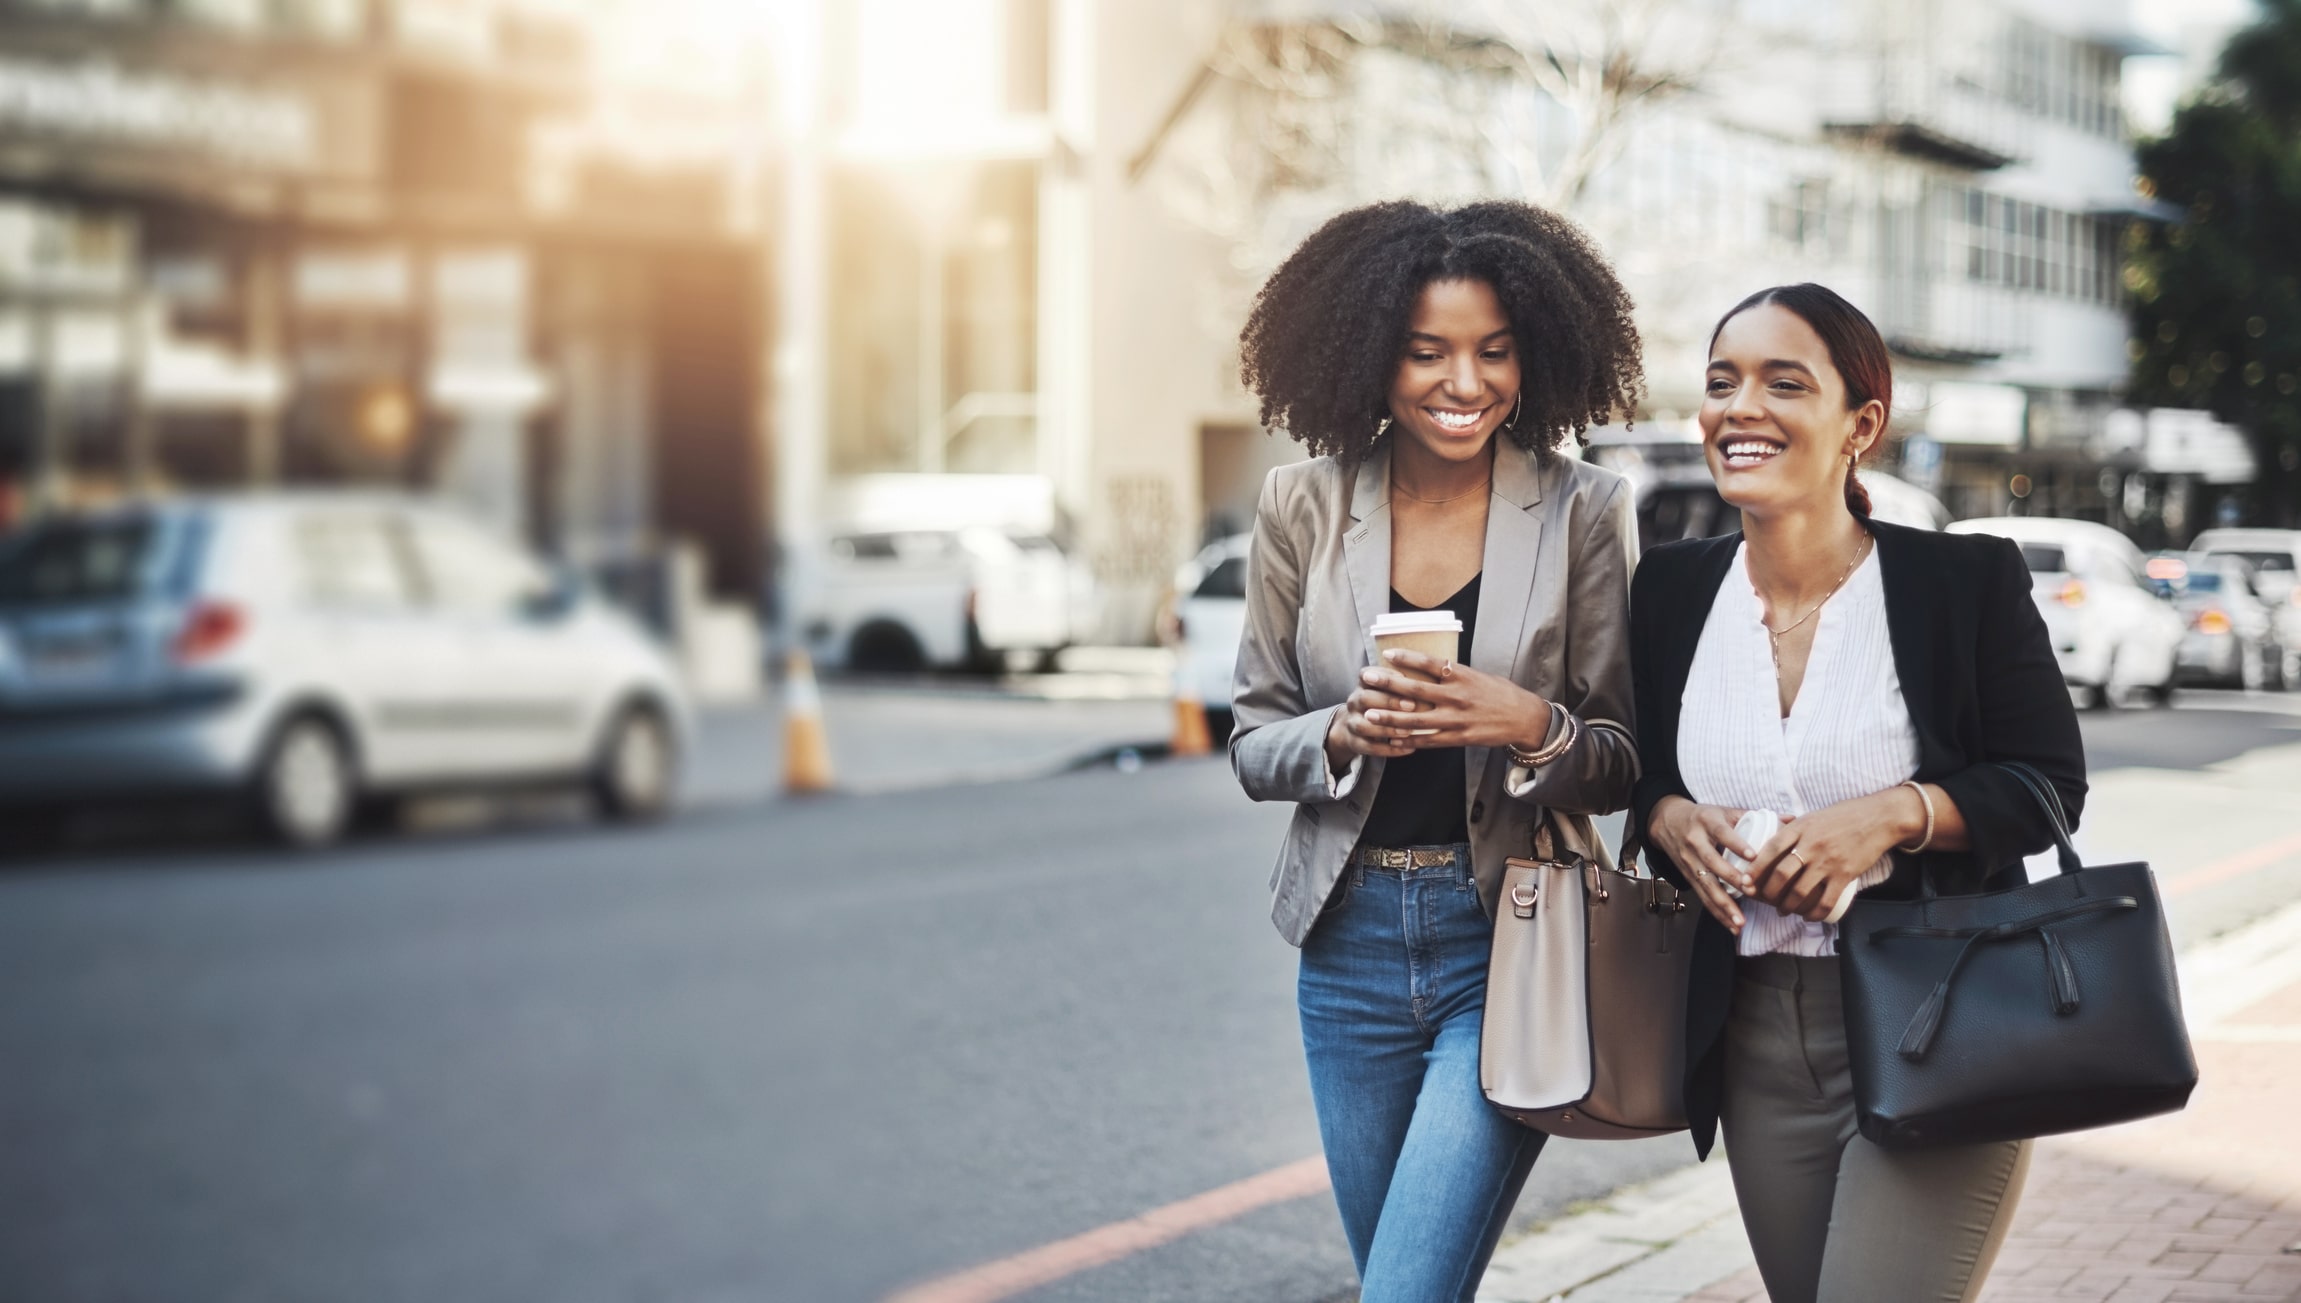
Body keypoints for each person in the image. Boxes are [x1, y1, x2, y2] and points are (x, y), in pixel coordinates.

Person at [1629, 283, 2089, 1303]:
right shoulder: (1668, 590)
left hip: (1942, 1016)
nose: (1740, 406)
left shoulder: (1960, 583)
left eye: (1783, 382)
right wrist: (1665, 816)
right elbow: (1646, 777)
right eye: (1722, 381)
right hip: (1748, 1031)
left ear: (1861, 424)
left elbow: (2049, 784)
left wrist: (1891, 813)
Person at [1228, 200, 1644, 1301]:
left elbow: (1620, 753)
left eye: (1494, 352)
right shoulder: (1301, 505)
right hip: (1347, 944)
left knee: (1404, 1290)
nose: (1464, 382)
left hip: (1508, 941)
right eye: (1428, 352)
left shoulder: (1586, 511)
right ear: (1372, 354)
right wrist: (1342, 732)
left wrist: (1524, 721)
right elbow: (1253, 737)